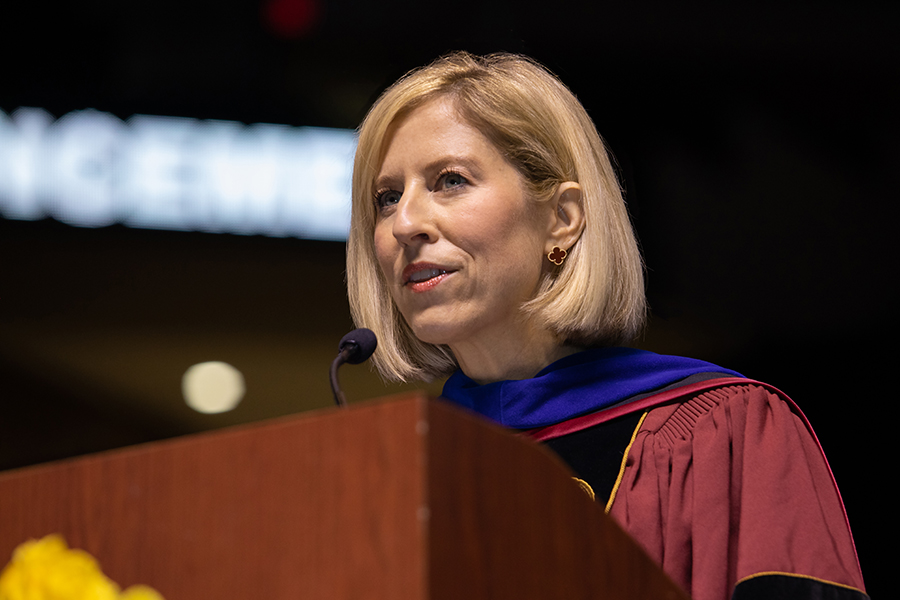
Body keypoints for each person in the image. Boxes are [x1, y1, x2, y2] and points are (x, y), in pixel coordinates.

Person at [346, 51, 867, 600]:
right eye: (387, 198)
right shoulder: (394, 476)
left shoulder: (722, 433)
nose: (404, 223)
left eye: (450, 180)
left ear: (562, 219)